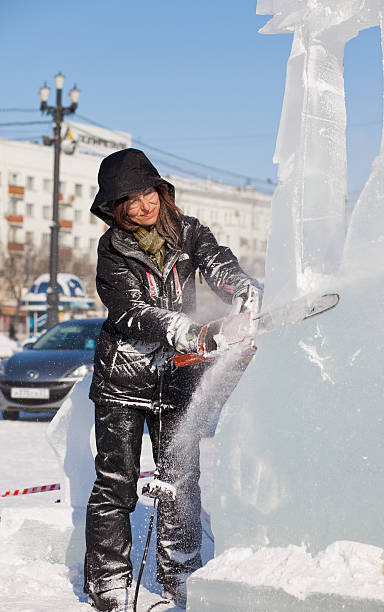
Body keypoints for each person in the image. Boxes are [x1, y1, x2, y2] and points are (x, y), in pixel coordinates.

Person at [84, 148, 262, 611]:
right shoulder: (111, 253)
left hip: (177, 378)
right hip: (124, 381)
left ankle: (180, 575)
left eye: (148, 193)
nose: (144, 206)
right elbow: (133, 312)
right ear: (115, 209)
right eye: (130, 201)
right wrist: (196, 332)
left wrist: (242, 293)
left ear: (161, 191)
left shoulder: (189, 232)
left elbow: (220, 264)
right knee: (116, 483)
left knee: (180, 479)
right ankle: (107, 582)